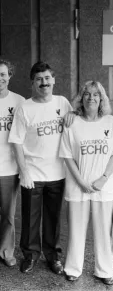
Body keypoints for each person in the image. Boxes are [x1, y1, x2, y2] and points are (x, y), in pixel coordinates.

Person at [8, 61, 72, 274]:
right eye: (39, 79)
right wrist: (24, 171)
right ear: (32, 83)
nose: (44, 83)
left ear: (53, 80)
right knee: (30, 218)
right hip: (32, 174)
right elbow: (16, 141)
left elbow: (77, 124)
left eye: (47, 78)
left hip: (58, 173)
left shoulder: (63, 103)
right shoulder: (25, 107)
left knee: (53, 219)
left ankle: (53, 256)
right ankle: (30, 255)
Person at [59, 81, 113, 284]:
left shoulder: (110, 122)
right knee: (76, 229)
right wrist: (81, 182)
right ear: (81, 98)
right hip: (78, 186)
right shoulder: (72, 122)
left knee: (103, 230)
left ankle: (105, 270)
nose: (91, 98)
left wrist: (103, 179)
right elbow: (67, 156)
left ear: (101, 99)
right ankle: (73, 268)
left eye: (96, 94)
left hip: (103, 187)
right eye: (87, 94)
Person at [0, 59, 25, 267]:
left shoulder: (19, 102)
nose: (0, 78)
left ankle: (7, 252)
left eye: (3, 74)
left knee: (8, 214)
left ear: (9, 76)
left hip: (9, 167)